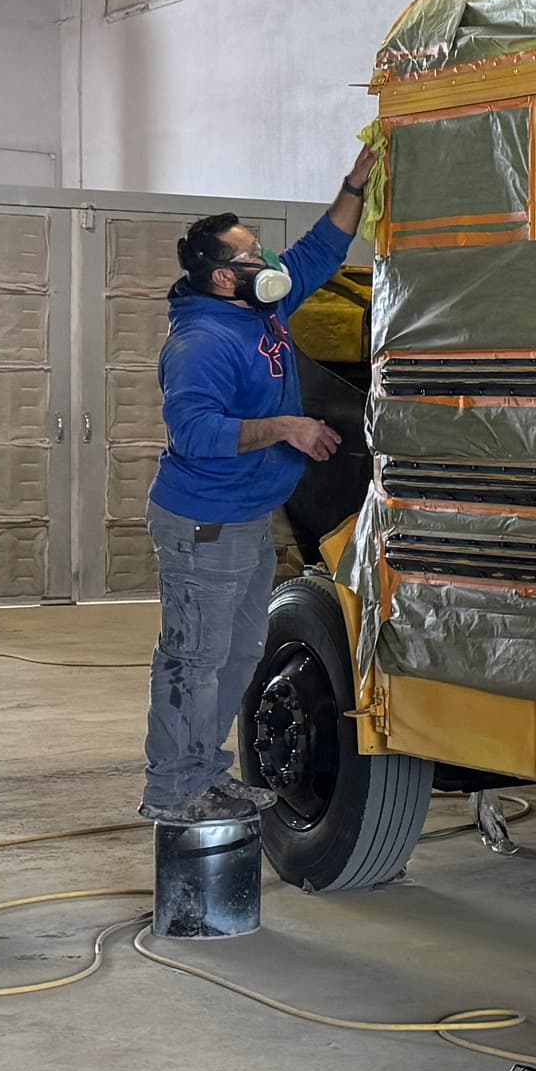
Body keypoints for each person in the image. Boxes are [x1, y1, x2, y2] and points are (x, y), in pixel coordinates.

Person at [140, 149, 378, 826]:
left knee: (239, 651)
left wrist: (354, 184)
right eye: (253, 257)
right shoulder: (204, 341)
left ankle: (204, 775)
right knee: (193, 658)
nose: (271, 265)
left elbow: (321, 249)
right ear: (223, 277)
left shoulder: (259, 310)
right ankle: (172, 790)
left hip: (245, 516)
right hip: (202, 525)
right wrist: (284, 428)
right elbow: (195, 430)